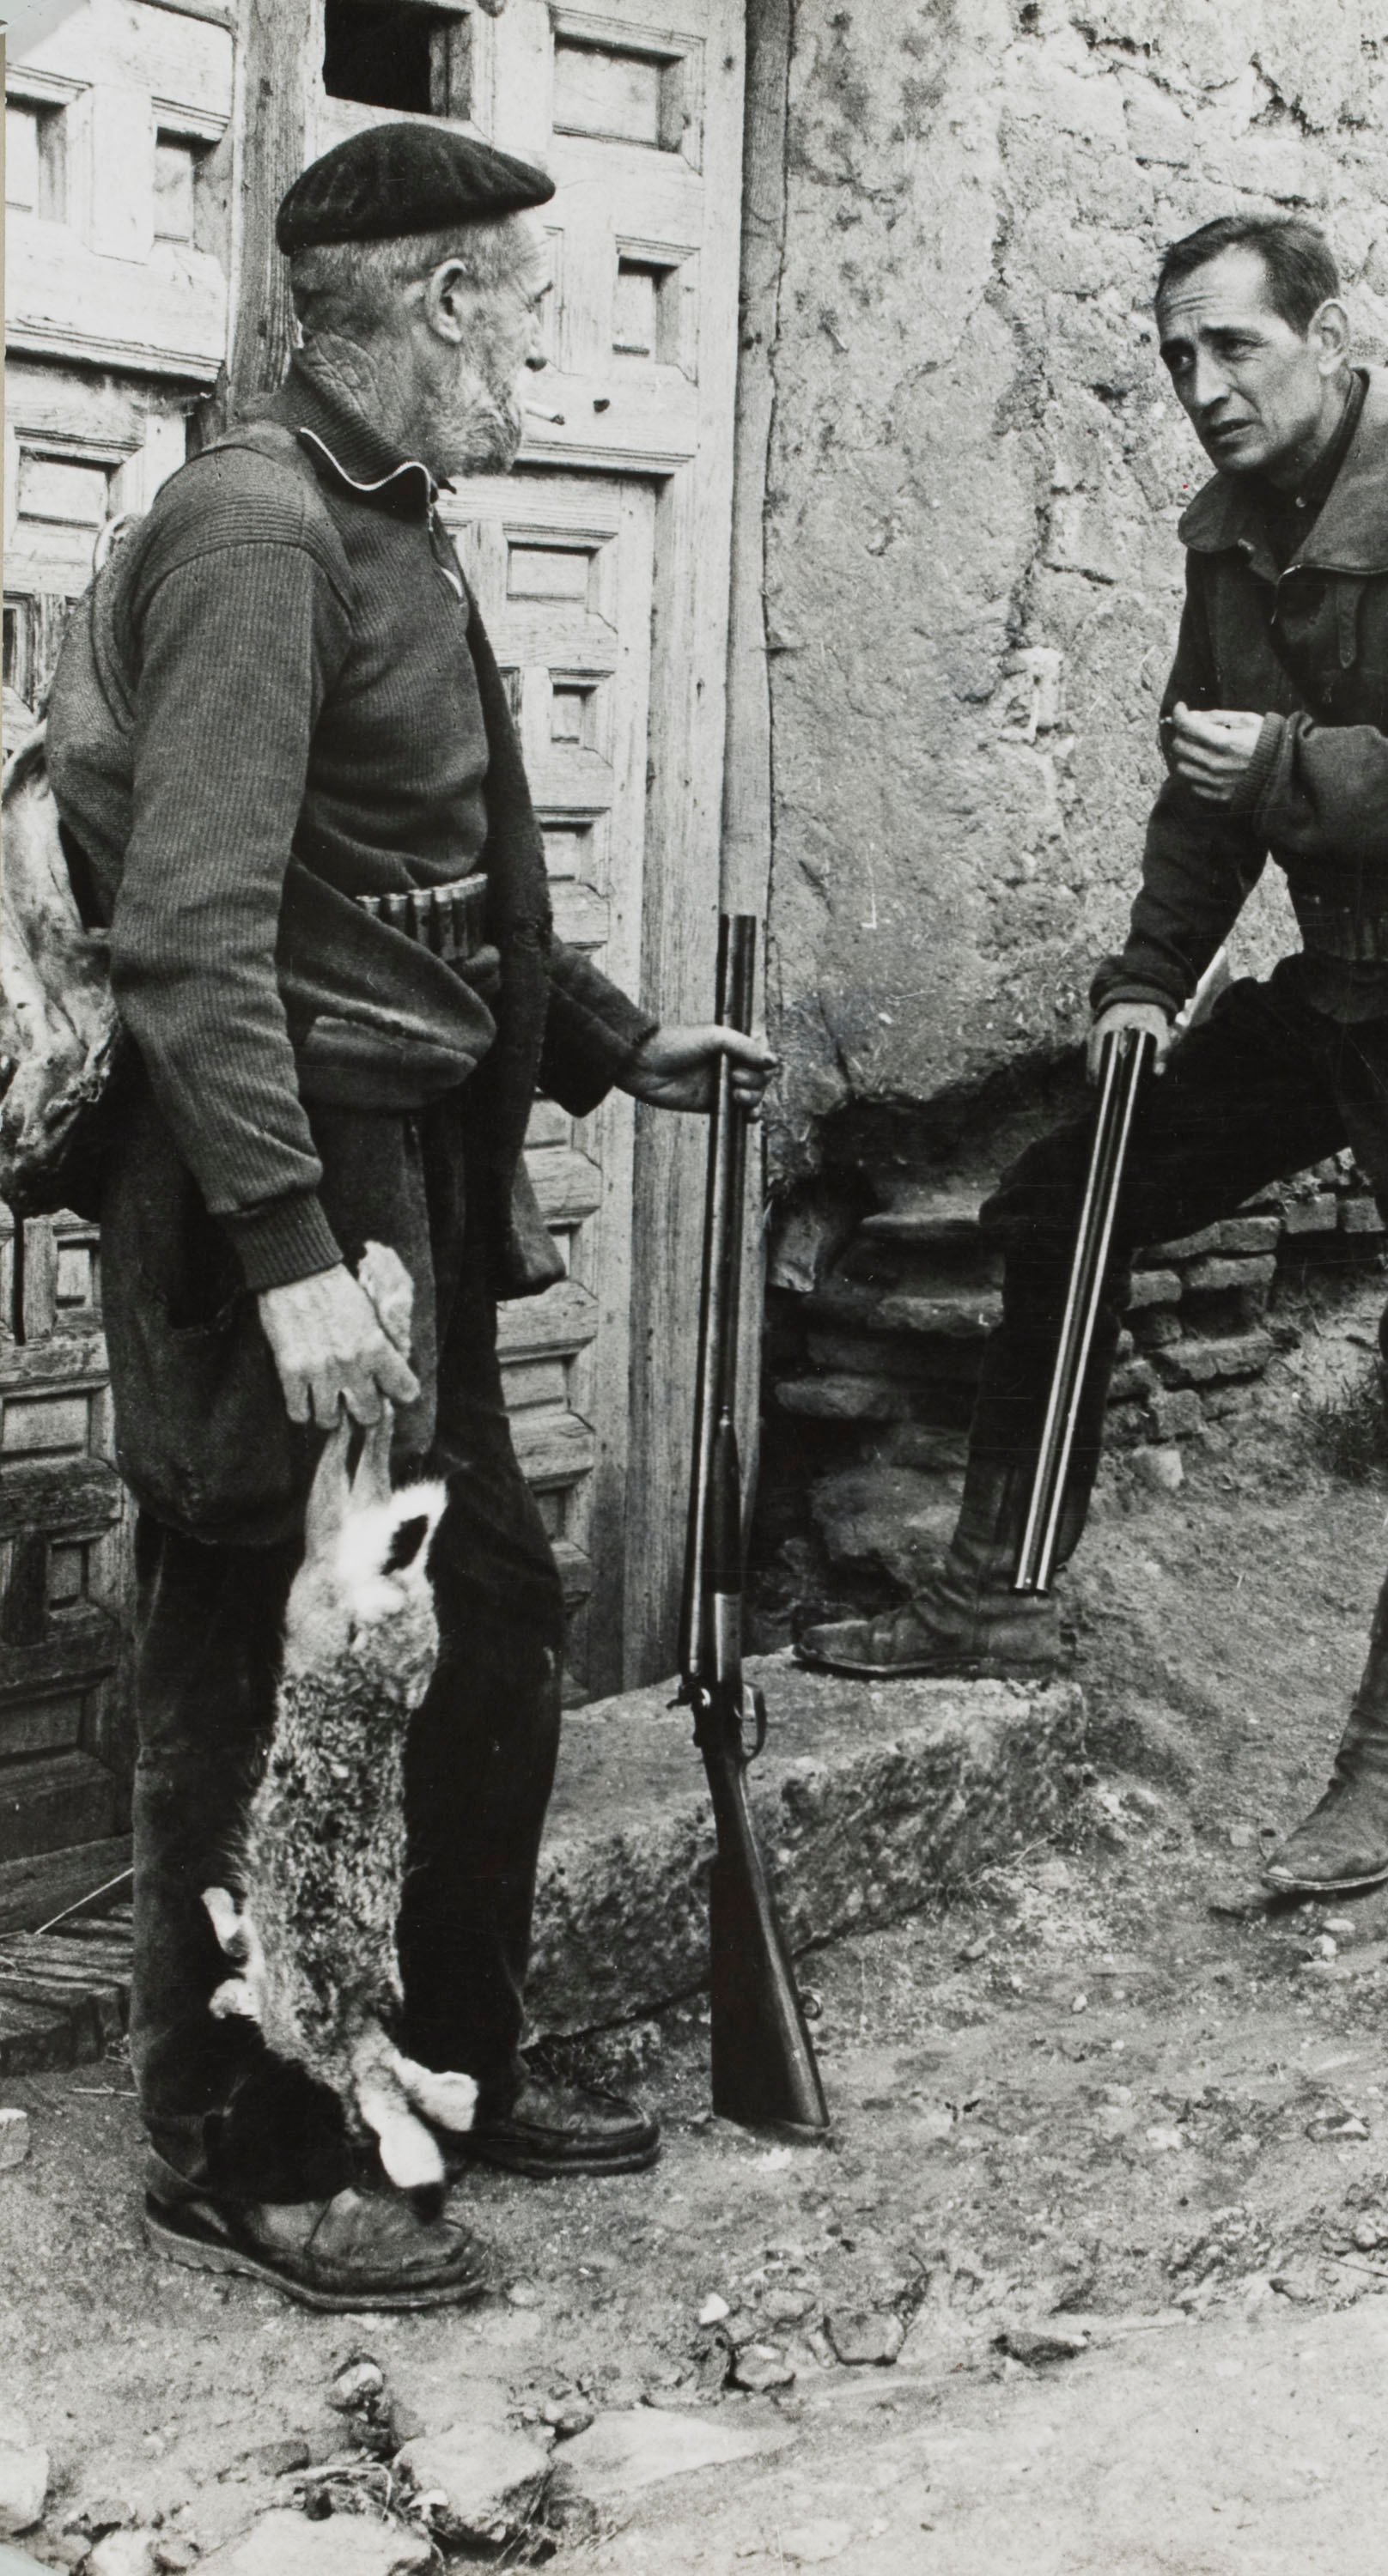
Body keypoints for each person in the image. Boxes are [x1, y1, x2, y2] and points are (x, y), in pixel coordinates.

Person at [46, 124, 773, 2311]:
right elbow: (192, 933)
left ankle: (432, 2065)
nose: (540, 351)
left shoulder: (389, 524)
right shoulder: (256, 535)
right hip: (281, 1181)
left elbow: (420, 873)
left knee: (488, 1627)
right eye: (525, 308)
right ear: (446, 303)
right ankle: (240, 2150)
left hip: (405, 1171)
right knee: (266, 1658)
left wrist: (610, 1041)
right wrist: (285, 1256)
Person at [800, 213, 1388, 1906]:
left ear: (1326, 337)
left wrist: (1292, 763)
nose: (1202, 385)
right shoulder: (1233, 529)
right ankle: (995, 1592)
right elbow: (1208, 782)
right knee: (1062, 1201)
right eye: (1176, 357)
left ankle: (1383, 1774)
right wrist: (1150, 974)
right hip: (1337, 987)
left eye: (1235, 346)